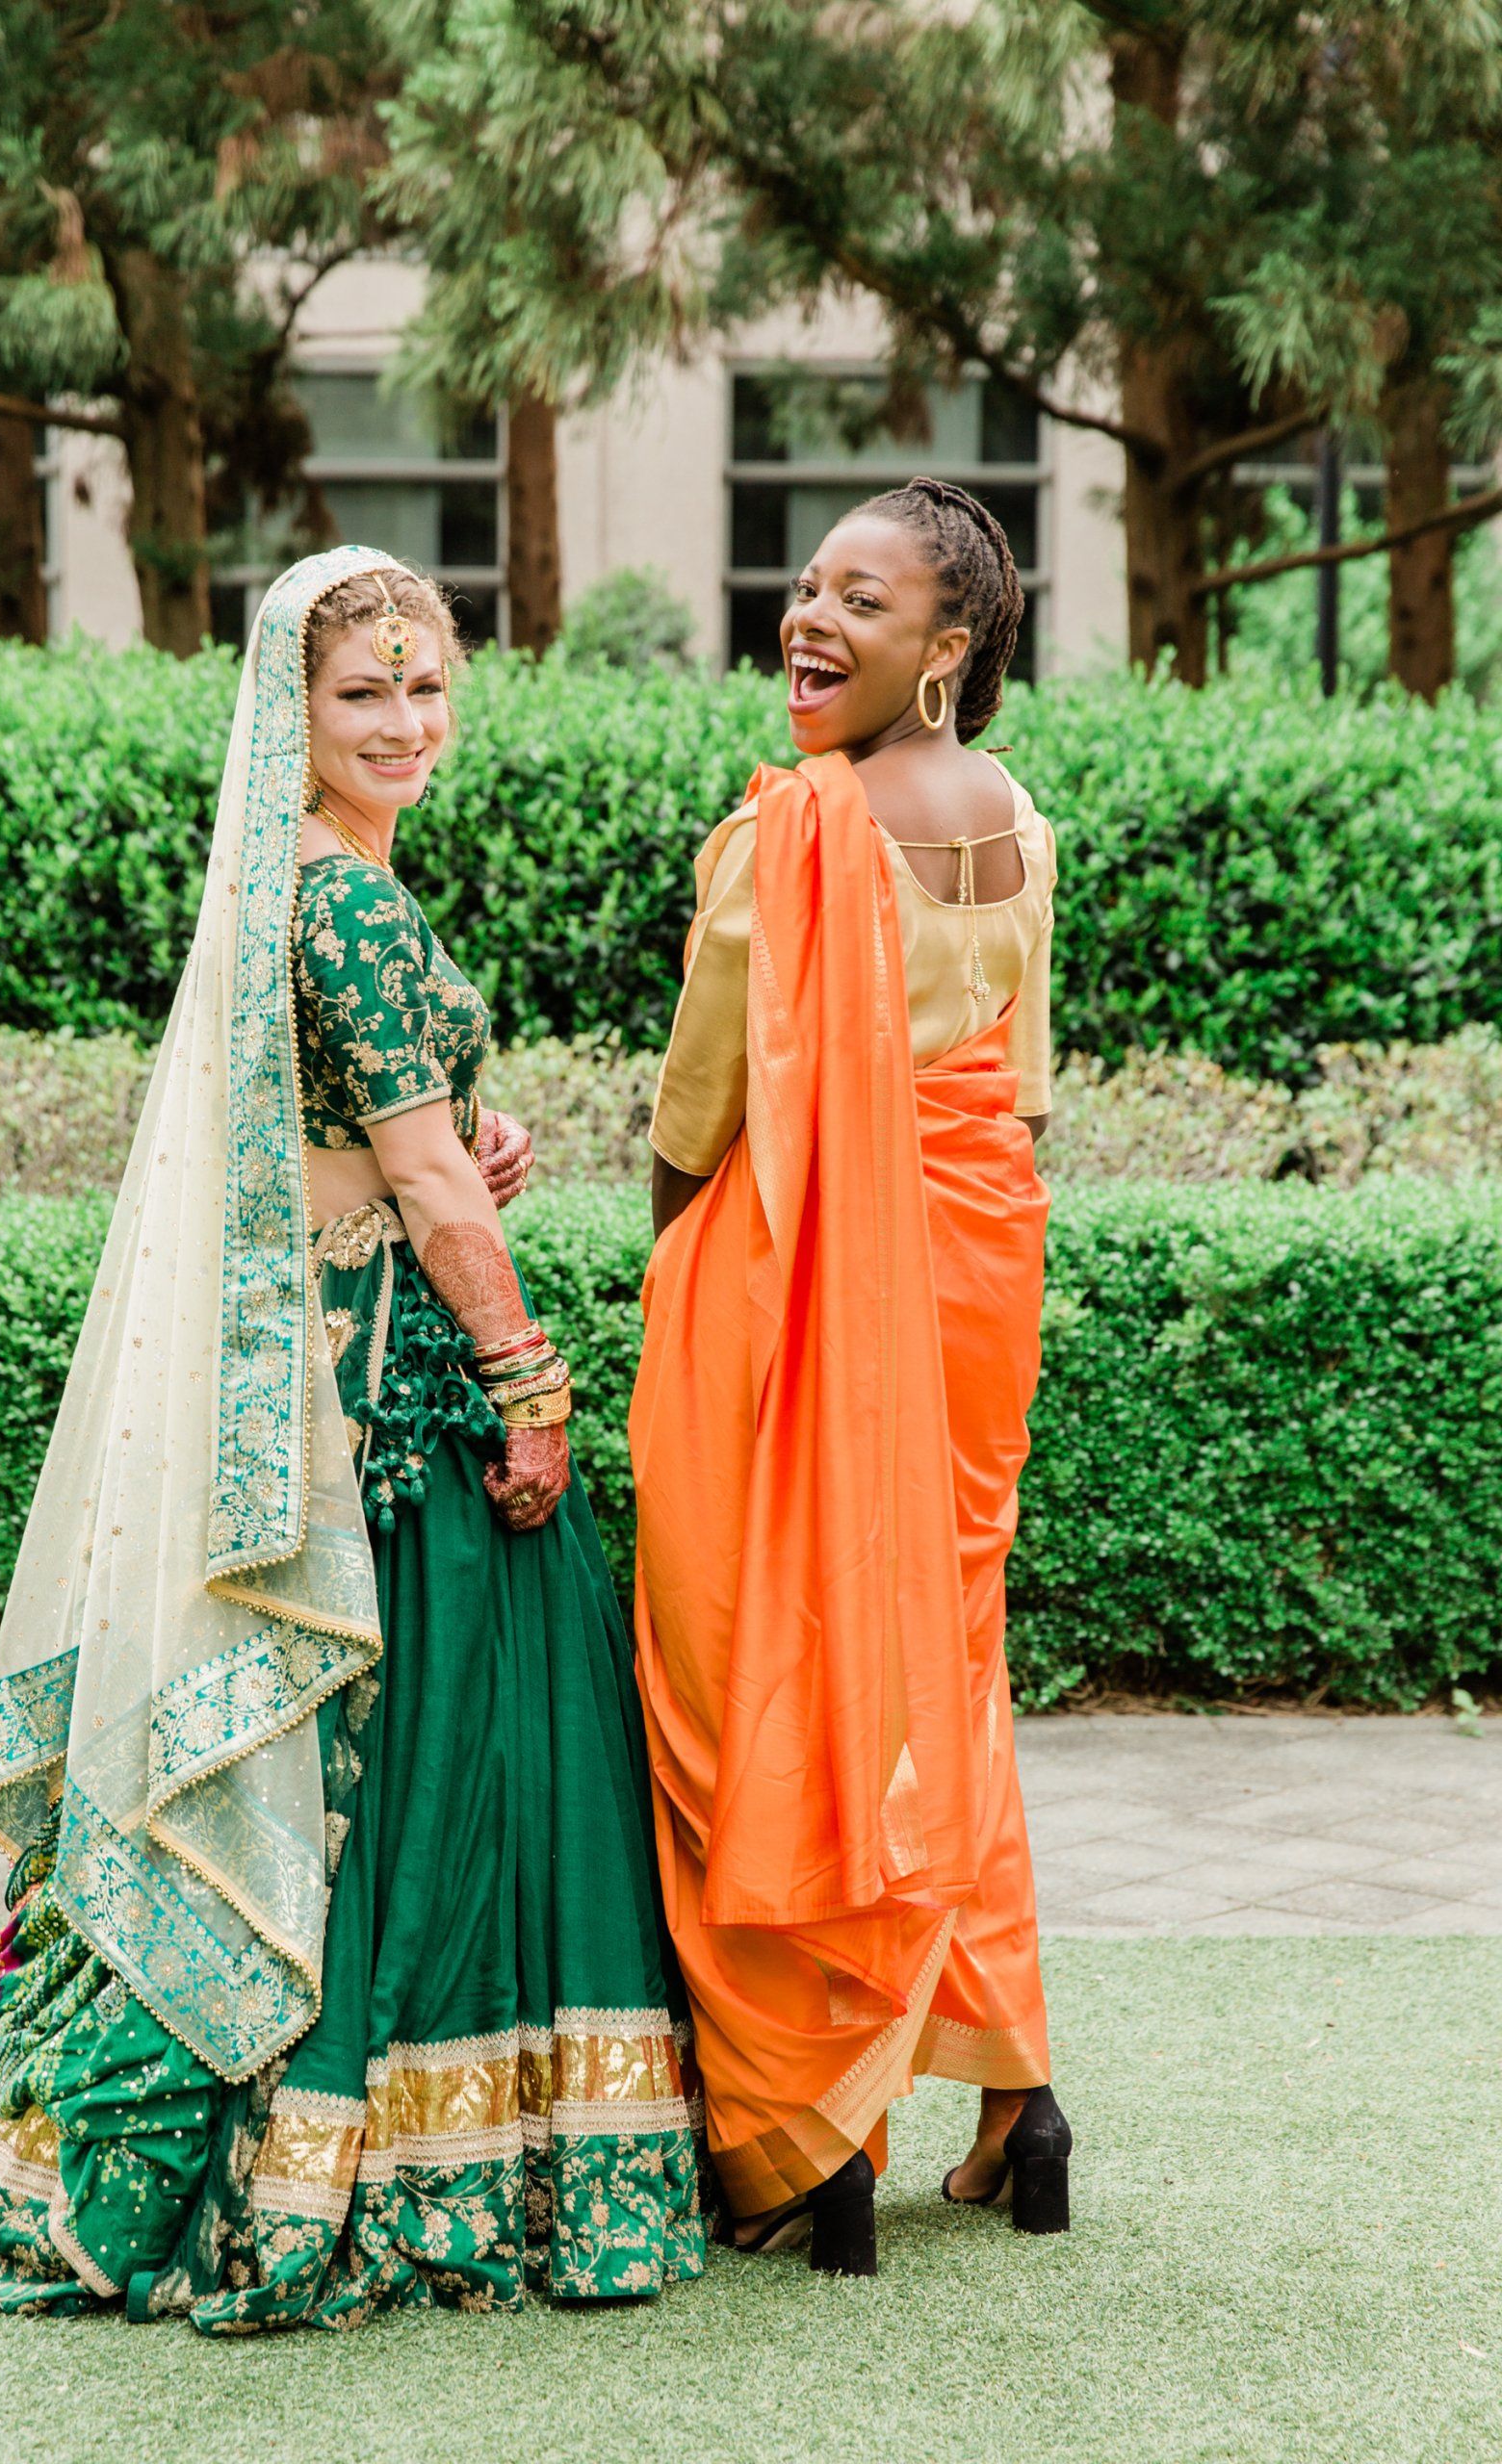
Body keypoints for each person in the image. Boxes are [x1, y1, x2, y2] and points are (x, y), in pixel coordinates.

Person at [0, 545, 703, 2331]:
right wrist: (526, 1372)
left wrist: (457, 1147)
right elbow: (417, 1180)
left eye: (428, 686)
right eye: (367, 693)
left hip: (336, 1341)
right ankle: (383, 2162)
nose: (408, 721)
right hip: (388, 1394)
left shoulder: (313, 882)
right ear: (295, 710)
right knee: (439, 1750)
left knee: (407, 1753)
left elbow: (376, 1136)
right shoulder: (338, 902)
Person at [630, 477, 1072, 2278]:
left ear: (946, 647)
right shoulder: (1022, 820)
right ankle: (1015, 2106)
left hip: (790, 1279)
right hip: (978, 1273)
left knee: (757, 1678)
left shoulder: (790, 833)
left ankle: (810, 2134)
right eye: (807, 587)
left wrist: (668, 1249)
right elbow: (1026, 1088)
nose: (811, 619)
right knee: (943, 1678)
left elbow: (702, 1099)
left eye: (863, 601)